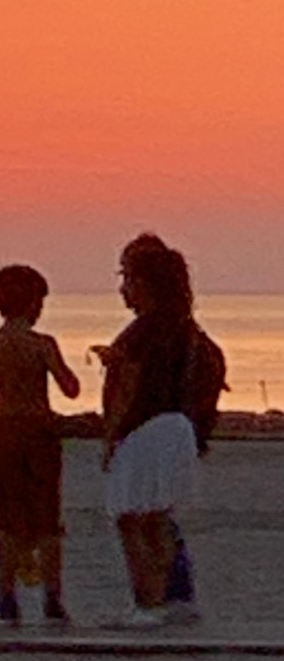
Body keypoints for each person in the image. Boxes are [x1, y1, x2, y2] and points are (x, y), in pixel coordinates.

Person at [0, 265, 80, 628]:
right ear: (33, 303)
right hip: (39, 431)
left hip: (1, 431)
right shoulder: (43, 344)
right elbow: (70, 387)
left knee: (3, 520)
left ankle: (7, 597)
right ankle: (53, 599)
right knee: (46, 517)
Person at [98, 241, 202, 626]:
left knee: (133, 518)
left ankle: (148, 601)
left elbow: (128, 388)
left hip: (145, 429)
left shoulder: (142, 331)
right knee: (157, 516)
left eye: (127, 278)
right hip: (176, 426)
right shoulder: (183, 326)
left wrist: (110, 436)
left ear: (145, 283)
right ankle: (171, 598)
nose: (123, 288)